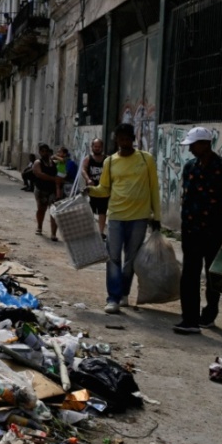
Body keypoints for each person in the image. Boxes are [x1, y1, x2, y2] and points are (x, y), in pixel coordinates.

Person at [84, 123, 160, 314]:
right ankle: (113, 298)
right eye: (121, 139)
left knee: (131, 259)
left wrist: (157, 217)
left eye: (127, 139)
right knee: (113, 258)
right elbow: (104, 189)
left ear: (133, 139)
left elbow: (154, 189)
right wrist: (90, 190)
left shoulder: (146, 159)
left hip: (140, 217)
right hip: (116, 216)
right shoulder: (110, 162)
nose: (124, 142)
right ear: (116, 141)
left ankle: (124, 293)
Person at [174, 127, 222, 334]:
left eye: (193, 145)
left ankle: (210, 313)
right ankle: (190, 319)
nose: (190, 150)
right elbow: (185, 196)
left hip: (216, 230)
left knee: (214, 275)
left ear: (205, 144)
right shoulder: (189, 167)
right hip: (191, 230)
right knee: (189, 274)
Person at [31, 144, 66, 241]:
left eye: (46, 151)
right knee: (41, 209)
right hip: (41, 190)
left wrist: (59, 185)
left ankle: (53, 234)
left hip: (53, 190)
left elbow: (62, 165)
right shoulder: (38, 162)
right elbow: (39, 174)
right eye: (42, 151)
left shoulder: (53, 162)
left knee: (54, 211)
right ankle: (39, 227)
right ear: (40, 152)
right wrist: (54, 179)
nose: (44, 153)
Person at [80, 139, 110, 239]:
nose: (97, 148)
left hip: (103, 191)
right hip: (91, 190)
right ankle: (89, 232)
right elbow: (83, 170)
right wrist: (88, 179)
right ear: (92, 147)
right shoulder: (88, 159)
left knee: (102, 212)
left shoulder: (107, 159)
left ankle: (101, 232)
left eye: (99, 147)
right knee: (89, 212)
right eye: (95, 146)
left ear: (102, 147)